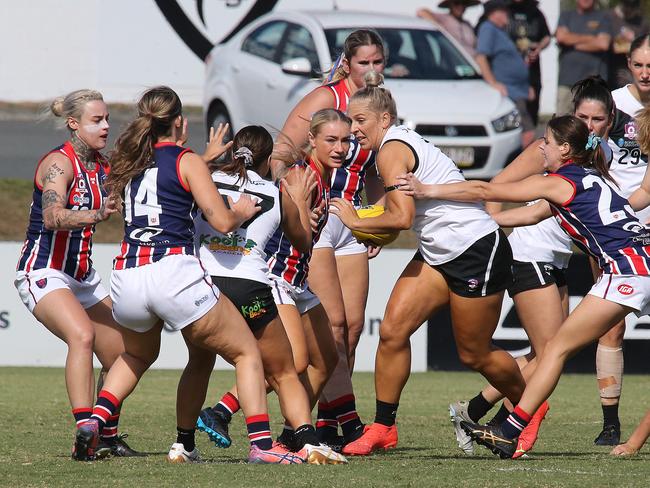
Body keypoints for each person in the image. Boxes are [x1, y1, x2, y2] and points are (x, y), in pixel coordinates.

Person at [398, 114, 650, 459]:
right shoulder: (588, 177)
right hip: (640, 262)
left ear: (564, 149)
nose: (540, 147)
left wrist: (428, 190)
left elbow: (486, 189)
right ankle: (624, 441)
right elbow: (531, 214)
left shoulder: (559, 181)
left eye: (546, 142)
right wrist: (481, 224)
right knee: (555, 348)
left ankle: (510, 430)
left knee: (556, 348)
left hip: (628, 270)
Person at [85, 86, 304, 465]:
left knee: (138, 355)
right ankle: (262, 446)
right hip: (173, 272)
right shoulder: (187, 160)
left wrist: (204, 161)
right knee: (247, 353)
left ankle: (97, 419)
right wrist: (241, 208)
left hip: (128, 275)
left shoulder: (132, 160)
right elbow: (220, 220)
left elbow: (165, 182)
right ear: (180, 123)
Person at [329, 71, 526, 456]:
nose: (354, 129)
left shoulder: (389, 149)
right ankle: (384, 427)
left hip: (474, 248)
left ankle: (528, 410)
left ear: (384, 119)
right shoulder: (392, 145)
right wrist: (374, 228)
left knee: (474, 353)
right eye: (351, 120)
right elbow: (397, 211)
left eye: (360, 121)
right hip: (439, 251)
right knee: (392, 332)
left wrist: (356, 221)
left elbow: (401, 218)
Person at [445, 75, 616, 458]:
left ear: (610, 119)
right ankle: (514, 431)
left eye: (598, 119)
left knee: (553, 351)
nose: (590, 125)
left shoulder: (602, 154)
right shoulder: (548, 149)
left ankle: (474, 411)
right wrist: (492, 233)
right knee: (552, 352)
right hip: (529, 252)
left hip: (556, 259)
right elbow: (496, 187)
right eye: (583, 117)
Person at [189, 124, 346, 464]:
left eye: (346, 140)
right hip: (274, 276)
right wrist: (304, 207)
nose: (342, 147)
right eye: (332, 140)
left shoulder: (328, 179)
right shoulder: (293, 180)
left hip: (295, 278)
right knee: (290, 362)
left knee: (327, 357)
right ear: (312, 141)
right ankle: (234, 417)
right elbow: (301, 237)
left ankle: (290, 434)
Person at [14, 89, 143, 460]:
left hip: (82, 277)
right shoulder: (59, 163)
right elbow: (53, 217)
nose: (106, 126)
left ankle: (104, 435)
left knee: (123, 352)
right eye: (96, 120)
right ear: (73, 123)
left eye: (106, 119)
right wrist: (98, 214)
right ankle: (84, 430)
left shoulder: (103, 165)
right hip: (43, 269)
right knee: (82, 335)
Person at [272, 29, 386, 449]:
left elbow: (374, 169)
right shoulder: (326, 99)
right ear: (347, 63)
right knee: (332, 327)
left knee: (353, 329)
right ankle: (337, 421)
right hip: (318, 217)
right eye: (364, 63)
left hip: (351, 219)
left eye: (378, 62)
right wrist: (298, 202)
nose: (372, 70)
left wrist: (379, 217)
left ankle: (327, 422)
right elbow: (281, 152)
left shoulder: (377, 107)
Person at [593, 34, 650, 446]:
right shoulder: (609, 106)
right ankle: (610, 422)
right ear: (628, 64)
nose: (646, 73)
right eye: (640, 65)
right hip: (615, 228)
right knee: (610, 328)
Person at [475, 0, 535, 148]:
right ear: (493, 13)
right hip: (509, 91)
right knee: (526, 133)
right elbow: (481, 57)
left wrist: (526, 85)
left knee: (527, 133)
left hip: (518, 89)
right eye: (503, 11)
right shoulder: (488, 28)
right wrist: (493, 83)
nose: (507, 14)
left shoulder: (502, 31)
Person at [555, 0, 613, 115]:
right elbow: (561, 37)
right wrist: (592, 38)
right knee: (562, 123)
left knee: (591, 121)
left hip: (594, 82)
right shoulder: (566, 16)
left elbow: (603, 44)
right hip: (568, 81)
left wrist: (573, 43)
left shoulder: (603, 17)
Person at [506, 0, 551, 127]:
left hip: (531, 71)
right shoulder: (504, 9)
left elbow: (546, 36)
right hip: (509, 72)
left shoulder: (535, 12)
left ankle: (530, 141)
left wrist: (539, 48)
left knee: (531, 109)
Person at [608, 0, 650, 89]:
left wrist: (634, 39)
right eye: (628, 6)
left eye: (632, 6)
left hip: (631, 71)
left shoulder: (642, 22)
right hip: (609, 66)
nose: (629, 9)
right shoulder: (609, 17)